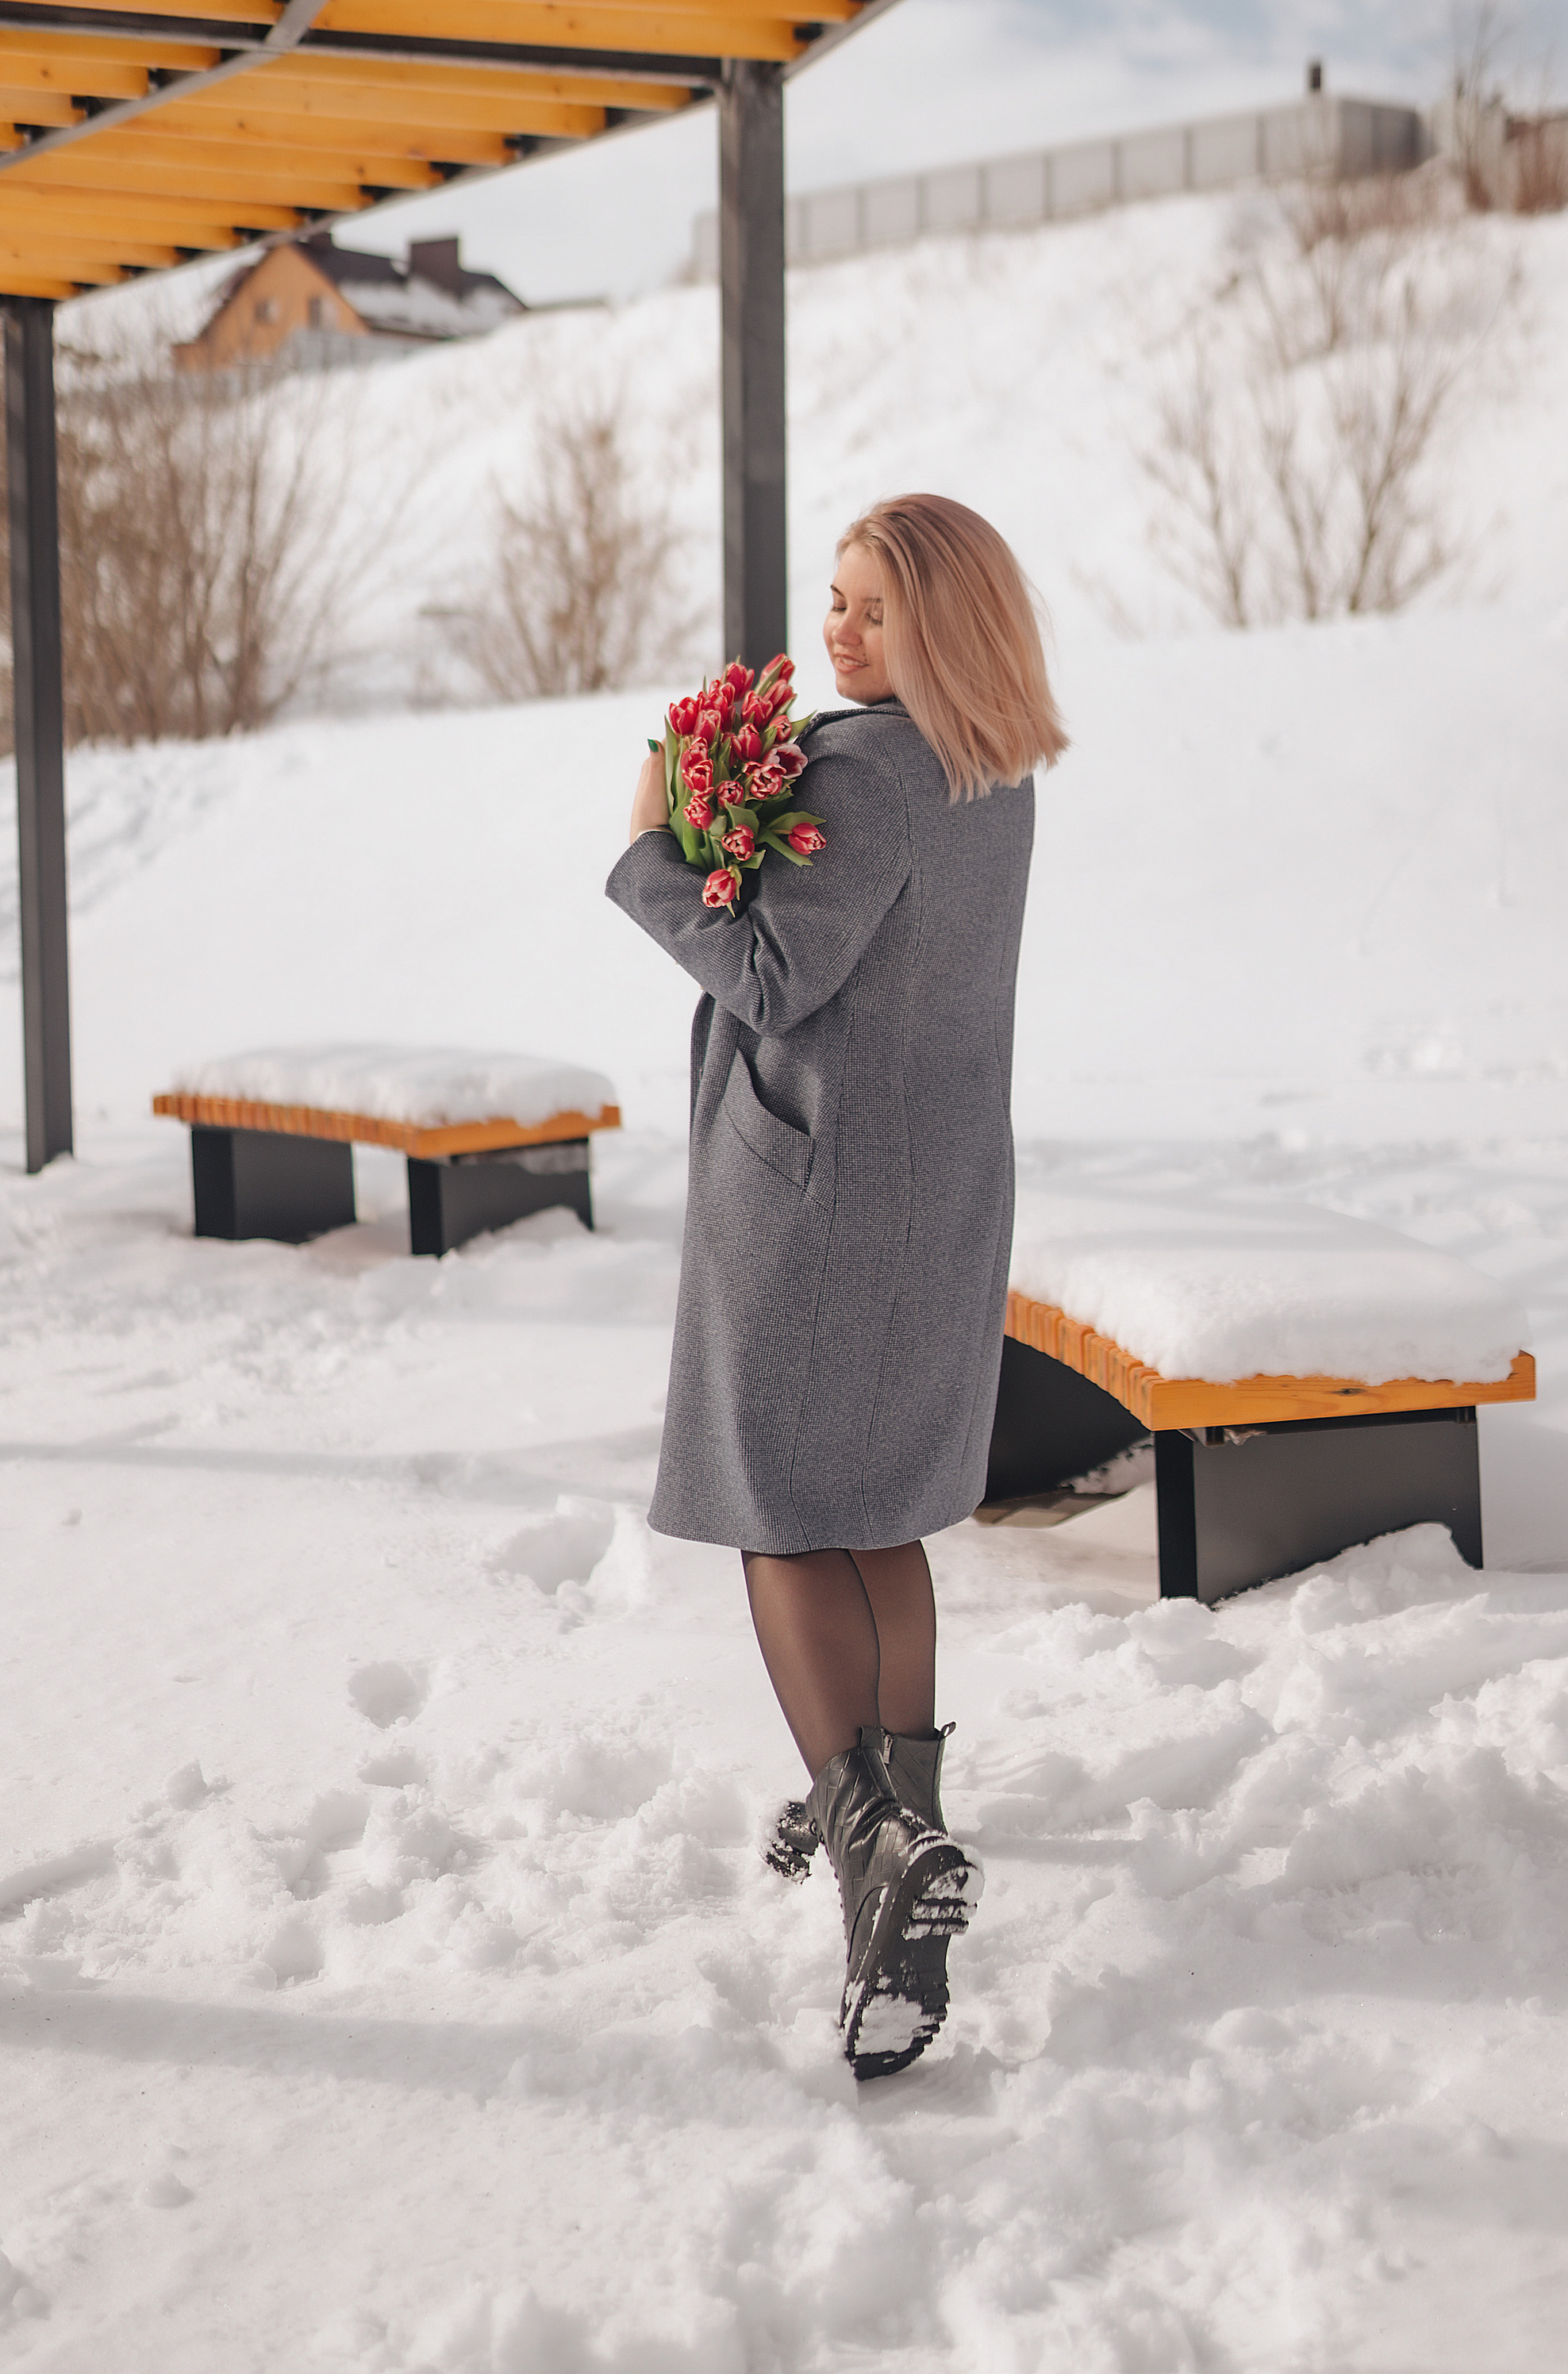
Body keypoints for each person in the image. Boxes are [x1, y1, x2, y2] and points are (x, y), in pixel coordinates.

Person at [606, 494, 1066, 2078]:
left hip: (810, 1199)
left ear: (946, 624)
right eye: (838, 600)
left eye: (876, 608)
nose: (841, 632)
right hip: (935, 1193)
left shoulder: (864, 773)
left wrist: (656, 853)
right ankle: (902, 1831)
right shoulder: (988, 772)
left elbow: (771, 974)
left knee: (783, 1516)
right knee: (873, 1517)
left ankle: (873, 1845)